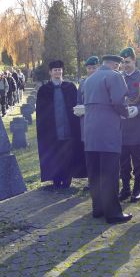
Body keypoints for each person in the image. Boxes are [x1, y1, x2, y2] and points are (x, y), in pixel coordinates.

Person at [82, 55, 133, 224]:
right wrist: (126, 113)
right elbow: (118, 101)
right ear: (115, 65)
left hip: (90, 131)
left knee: (95, 172)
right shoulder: (114, 76)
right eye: (118, 66)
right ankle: (113, 213)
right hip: (108, 130)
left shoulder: (89, 79)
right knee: (109, 173)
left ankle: (98, 208)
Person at [35, 60, 86, 188]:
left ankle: (67, 179)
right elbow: (40, 111)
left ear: (62, 71)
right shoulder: (44, 90)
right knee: (55, 153)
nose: (57, 72)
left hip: (69, 127)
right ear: (50, 72)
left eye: (59, 69)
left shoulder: (70, 87)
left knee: (68, 153)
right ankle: (56, 179)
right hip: (52, 129)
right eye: (55, 70)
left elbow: (77, 105)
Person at [118, 47, 140, 203]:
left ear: (134, 60)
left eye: (128, 62)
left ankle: (137, 188)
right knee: (123, 160)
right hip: (121, 125)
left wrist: (138, 109)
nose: (125, 65)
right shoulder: (117, 78)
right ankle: (125, 188)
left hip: (137, 124)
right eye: (123, 63)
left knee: (138, 159)